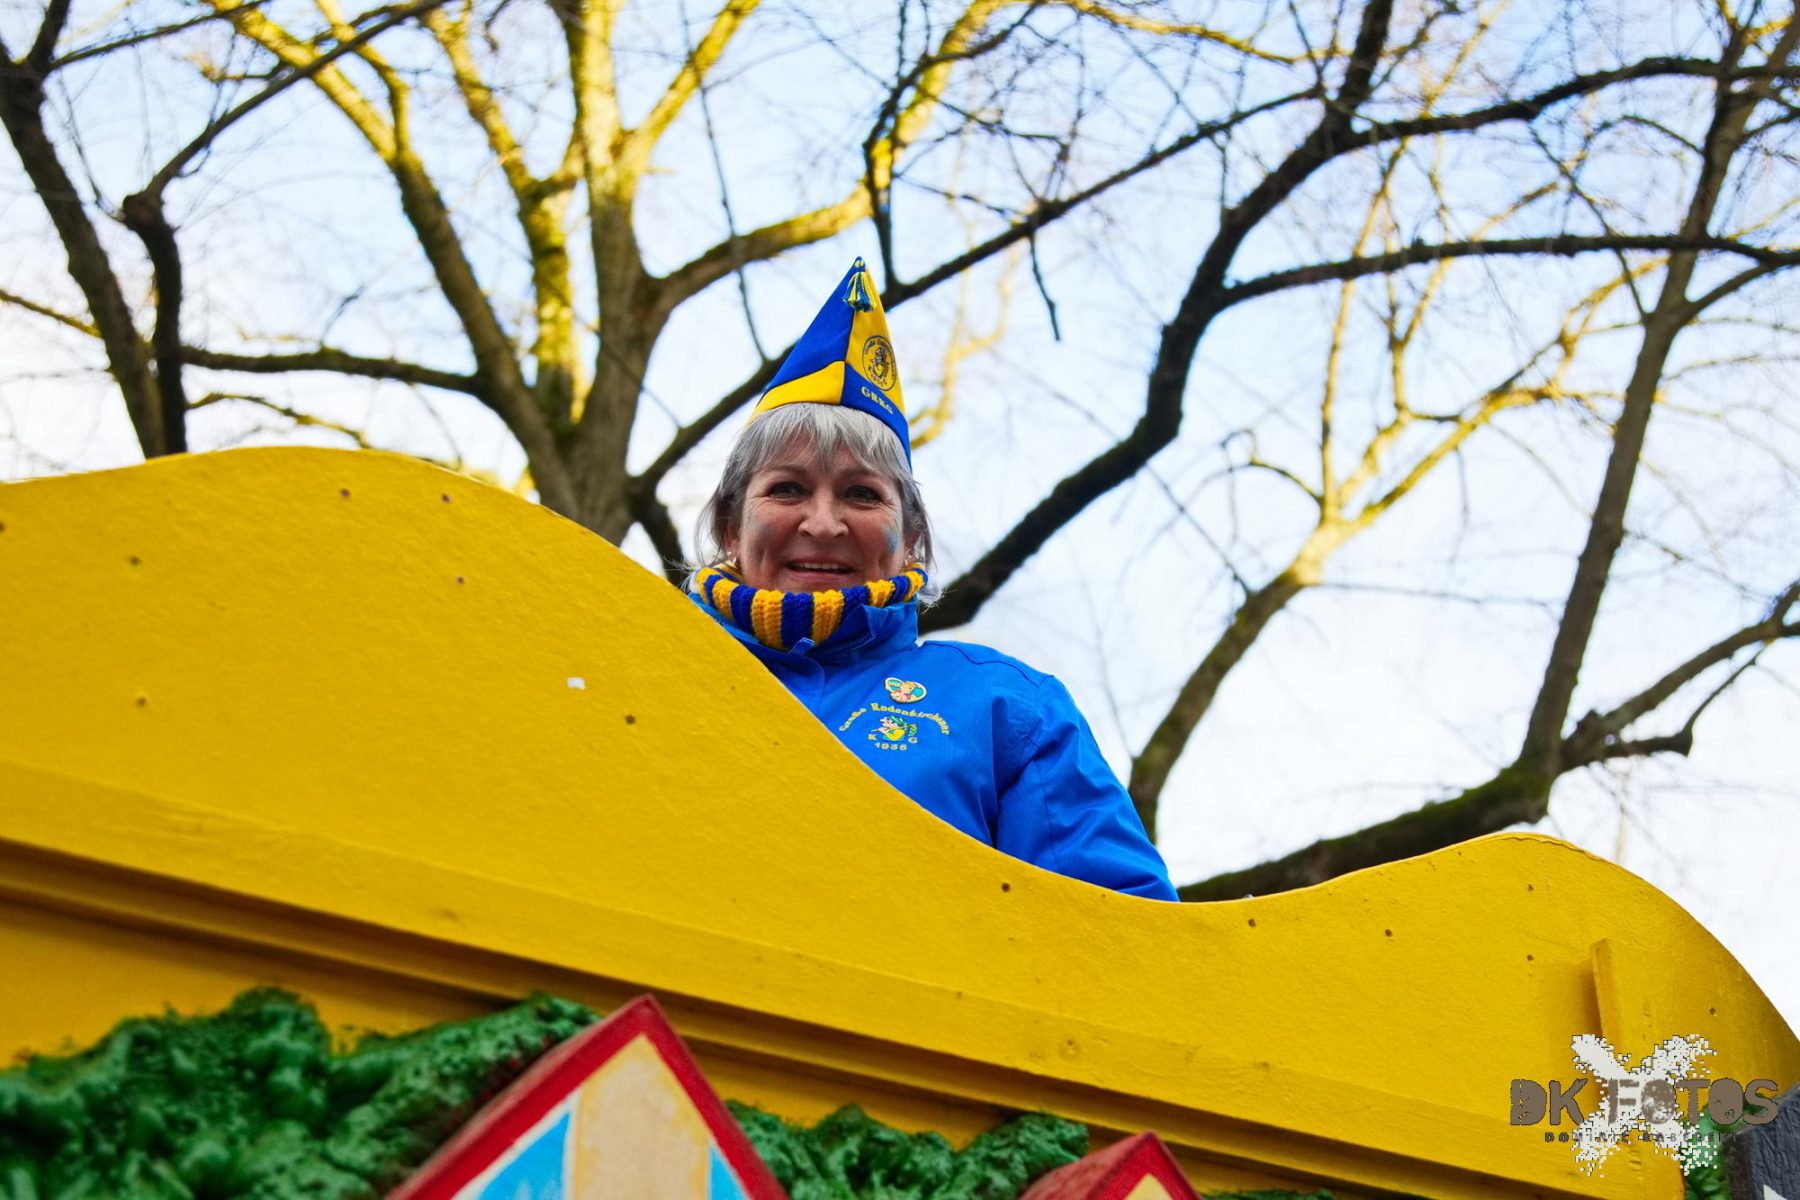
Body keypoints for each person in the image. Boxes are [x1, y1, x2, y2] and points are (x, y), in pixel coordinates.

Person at [689, 258, 1176, 901]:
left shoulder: (1009, 708)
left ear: (911, 538)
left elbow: (1119, 925)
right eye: (787, 488)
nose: (824, 523)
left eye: (862, 494)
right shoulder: (652, 668)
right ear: (730, 526)